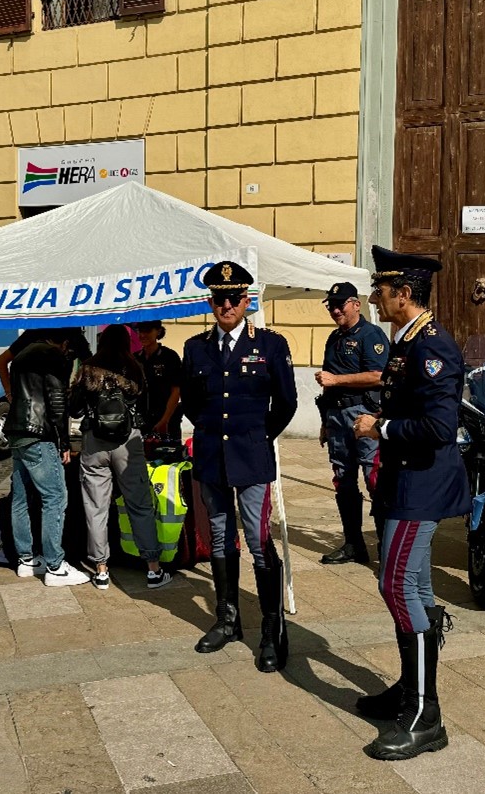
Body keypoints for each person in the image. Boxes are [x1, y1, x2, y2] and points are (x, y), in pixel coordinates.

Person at [351, 246, 470, 761]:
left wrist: (382, 426)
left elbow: (441, 428)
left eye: (381, 290)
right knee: (414, 585)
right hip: (403, 480)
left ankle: (426, 716)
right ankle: (410, 690)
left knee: (396, 584)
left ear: (404, 295)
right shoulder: (407, 343)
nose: (374, 297)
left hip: (419, 483)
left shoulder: (431, 348)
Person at [181, 260, 298, 673]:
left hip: (251, 458)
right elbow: (192, 403)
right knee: (218, 537)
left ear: (247, 300)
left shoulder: (269, 344)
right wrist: (212, 433)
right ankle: (228, 619)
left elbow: (287, 403)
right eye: (218, 298)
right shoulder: (195, 347)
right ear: (210, 302)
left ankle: (270, 627)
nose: (225, 305)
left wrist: (259, 437)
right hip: (212, 457)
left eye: (233, 298)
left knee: (256, 539)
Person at [70, 325, 173, 591]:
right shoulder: (135, 367)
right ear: (127, 342)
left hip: (94, 441)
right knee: (139, 504)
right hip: (128, 442)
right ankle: (153, 568)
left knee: (96, 507)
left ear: (102, 341)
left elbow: (75, 407)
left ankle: (101, 569)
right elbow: (147, 406)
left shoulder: (88, 367)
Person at [5, 328, 90, 587]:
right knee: (55, 497)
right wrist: (63, 441)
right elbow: (56, 401)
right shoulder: (53, 355)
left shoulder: (22, 354)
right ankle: (55, 566)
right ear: (65, 343)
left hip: (17, 432)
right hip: (39, 434)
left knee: (20, 498)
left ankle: (26, 560)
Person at [315, 281, 389, 565]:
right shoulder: (333, 338)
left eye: (340, 305)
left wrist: (337, 380)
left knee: (374, 480)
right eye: (331, 306)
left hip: (364, 415)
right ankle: (353, 544)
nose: (335, 310)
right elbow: (327, 380)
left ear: (356, 304)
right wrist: (324, 420)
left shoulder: (371, 334)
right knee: (343, 480)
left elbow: (379, 375)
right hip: (336, 415)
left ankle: (386, 546)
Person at [134, 320, 183, 440]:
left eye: (148, 331)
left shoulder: (170, 357)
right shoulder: (134, 358)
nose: (143, 335)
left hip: (167, 422)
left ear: (158, 332)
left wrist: (165, 420)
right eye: (140, 331)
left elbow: (176, 391)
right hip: (140, 423)